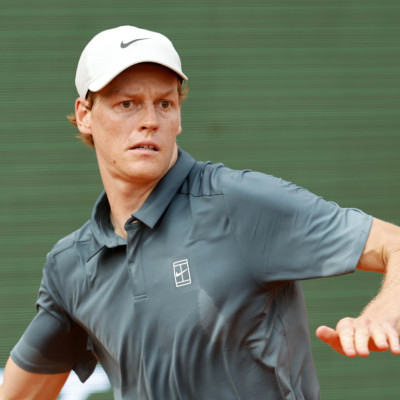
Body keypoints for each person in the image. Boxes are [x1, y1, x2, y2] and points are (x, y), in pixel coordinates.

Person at [0, 25, 399, 400]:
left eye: (165, 103)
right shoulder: (71, 267)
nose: (149, 121)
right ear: (85, 115)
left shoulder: (238, 204)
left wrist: (382, 311)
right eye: (127, 104)